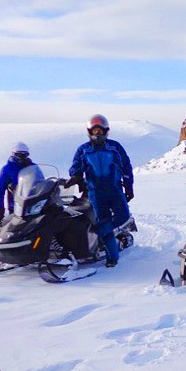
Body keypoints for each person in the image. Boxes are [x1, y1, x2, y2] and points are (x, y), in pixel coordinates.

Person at [68, 114, 134, 268]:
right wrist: (75, 176)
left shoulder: (114, 147)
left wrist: (129, 185)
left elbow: (126, 166)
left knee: (123, 216)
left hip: (115, 189)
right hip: (95, 192)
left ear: (106, 131)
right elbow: (76, 166)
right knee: (103, 220)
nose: (97, 134)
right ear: (89, 131)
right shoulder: (84, 149)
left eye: (100, 131)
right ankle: (112, 257)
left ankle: (97, 231)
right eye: (94, 131)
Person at [0, 142, 33, 223]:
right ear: (14, 154)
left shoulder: (32, 167)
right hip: (16, 207)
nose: (22, 157)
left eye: (25, 155)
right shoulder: (7, 169)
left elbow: (41, 181)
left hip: (34, 204)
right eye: (19, 155)